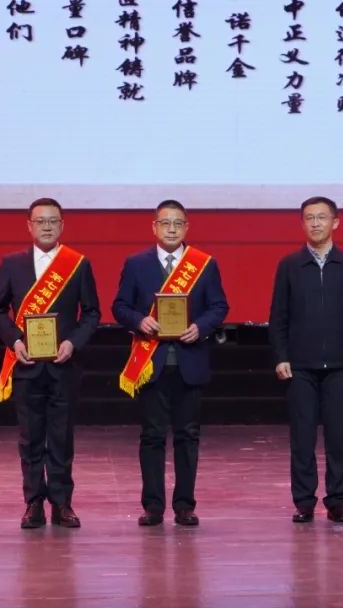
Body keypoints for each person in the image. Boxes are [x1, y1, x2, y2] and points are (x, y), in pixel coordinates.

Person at [112, 200, 229, 527]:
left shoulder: (204, 264)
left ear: (186, 227)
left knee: (187, 436)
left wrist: (201, 327)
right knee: (152, 436)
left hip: (190, 362)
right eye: (166, 223)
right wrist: (139, 320)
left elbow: (219, 306)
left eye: (178, 223)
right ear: (154, 227)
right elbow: (120, 306)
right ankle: (153, 506)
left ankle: (184, 505)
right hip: (151, 363)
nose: (172, 229)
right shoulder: (136, 264)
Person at [0, 197, 101, 529]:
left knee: (61, 436)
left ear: (62, 225)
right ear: (29, 226)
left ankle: (62, 503)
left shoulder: (77, 264)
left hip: (64, 365)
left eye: (53, 221)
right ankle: (33, 503)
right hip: (26, 364)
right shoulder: (12, 264)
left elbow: (92, 313)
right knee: (31, 437)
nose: (47, 226)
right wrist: (15, 340)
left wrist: (72, 342)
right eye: (41, 221)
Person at [268, 196, 343, 524]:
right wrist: (281, 356)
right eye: (309, 218)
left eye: (322, 217)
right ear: (302, 224)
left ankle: (337, 501)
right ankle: (304, 501)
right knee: (302, 438)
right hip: (299, 366)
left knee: (338, 437)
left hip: (341, 365)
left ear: (335, 222)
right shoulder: (289, 265)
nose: (315, 223)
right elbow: (278, 317)